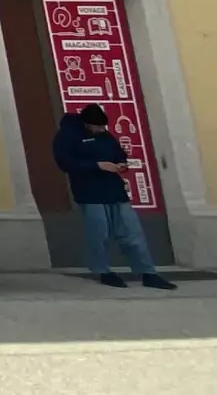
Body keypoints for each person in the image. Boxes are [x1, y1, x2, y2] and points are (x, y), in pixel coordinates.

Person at [51, 105, 175, 290]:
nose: (101, 130)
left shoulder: (105, 136)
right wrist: (96, 165)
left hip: (115, 191)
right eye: (97, 127)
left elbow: (118, 153)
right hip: (90, 193)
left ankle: (148, 273)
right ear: (87, 124)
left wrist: (121, 163)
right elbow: (65, 162)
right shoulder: (67, 136)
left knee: (133, 234)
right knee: (98, 234)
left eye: (103, 127)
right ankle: (103, 271)